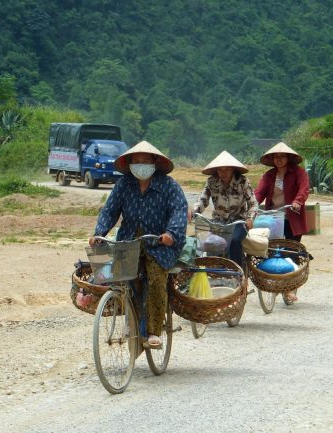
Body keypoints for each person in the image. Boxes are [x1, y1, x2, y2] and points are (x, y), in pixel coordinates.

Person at [89, 140, 187, 348]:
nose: (140, 165)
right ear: (130, 164)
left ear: (154, 163)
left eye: (145, 161)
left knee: (156, 278)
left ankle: (153, 330)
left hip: (160, 244)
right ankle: (130, 319)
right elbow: (109, 211)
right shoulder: (124, 184)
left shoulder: (169, 186)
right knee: (120, 277)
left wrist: (171, 233)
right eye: (136, 161)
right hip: (129, 239)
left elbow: (179, 211)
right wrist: (99, 233)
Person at [254, 141, 310, 302]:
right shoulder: (269, 175)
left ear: (288, 158)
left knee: (290, 252)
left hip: (292, 216)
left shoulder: (299, 173)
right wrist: (252, 205)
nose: (278, 160)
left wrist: (298, 201)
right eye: (275, 157)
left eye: (282, 156)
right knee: (271, 250)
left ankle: (290, 289)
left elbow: (303, 189)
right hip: (273, 218)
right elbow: (259, 193)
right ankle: (272, 280)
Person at [188, 151, 257, 268]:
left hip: (238, 222)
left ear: (233, 170)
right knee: (207, 243)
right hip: (218, 222)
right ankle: (212, 271)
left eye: (227, 170)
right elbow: (202, 200)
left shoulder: (243, 182)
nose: (223, 173)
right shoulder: (211, 182)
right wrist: (193, 212)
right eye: (220, 170)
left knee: (234, 241)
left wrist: (250, 218)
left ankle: (237, 272)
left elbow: (253, 204)